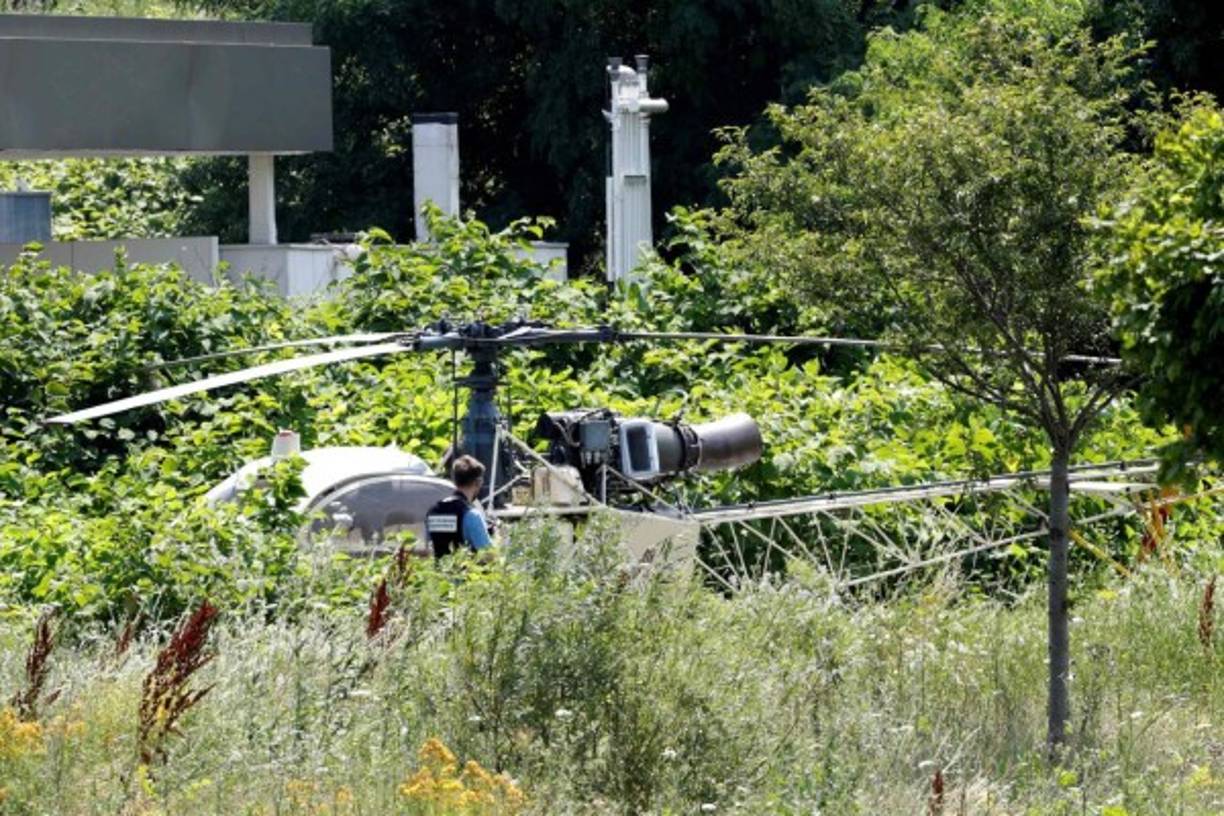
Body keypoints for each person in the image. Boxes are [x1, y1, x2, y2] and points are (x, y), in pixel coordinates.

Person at [425, 455, 494, 557]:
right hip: (465, 571)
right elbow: (489, 556)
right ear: (478, 482)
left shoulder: (433, 511)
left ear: (455, 481)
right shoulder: (471, 515)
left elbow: (428, 550)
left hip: (439, 571)